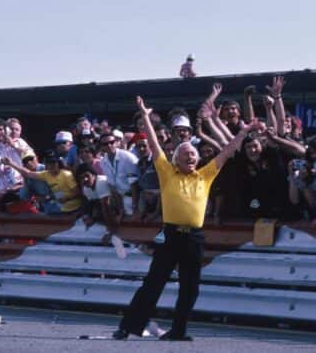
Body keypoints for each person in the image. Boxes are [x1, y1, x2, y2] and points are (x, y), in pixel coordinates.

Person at [112, 95, 262, 341]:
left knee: (190, 288)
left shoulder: (205, 175)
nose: (191, 157)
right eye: (186, 154)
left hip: (194, 238)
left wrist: (244, 131)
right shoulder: (167, 173)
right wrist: (146, 117)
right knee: (153, 284)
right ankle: (128, 327)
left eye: (193, 154)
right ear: (176, 159)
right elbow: (153, 143)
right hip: (169, 235)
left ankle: (178, 331)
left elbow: (227, 152)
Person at [3, 151, 82, 214]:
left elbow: (77, 193)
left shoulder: (66, 174)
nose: (51, 165)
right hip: (57, 207)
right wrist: (10, 163)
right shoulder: (46, 174)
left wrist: (65, 198)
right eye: (49, 163)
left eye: (53, 163)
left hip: (71, 205)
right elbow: (27, 175)